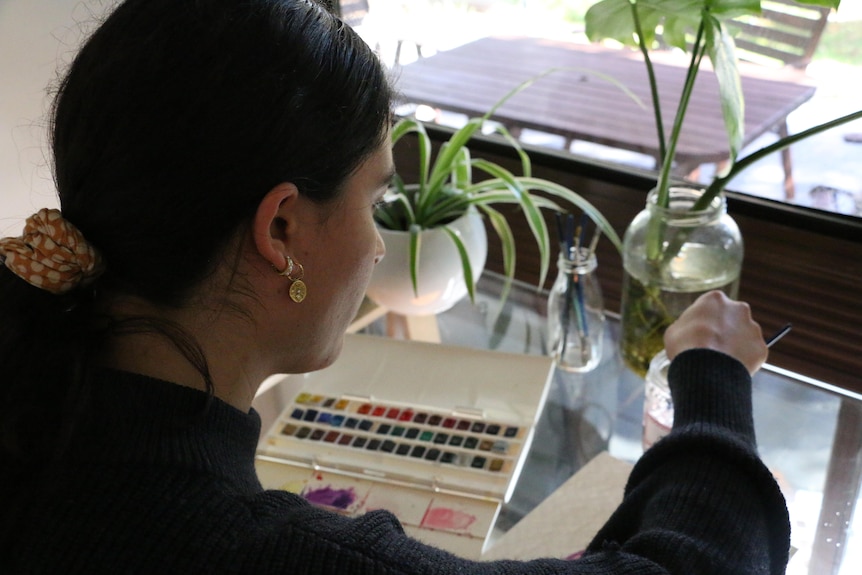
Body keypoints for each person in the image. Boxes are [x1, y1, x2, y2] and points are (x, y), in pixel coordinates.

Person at [0, 1, 789, 573]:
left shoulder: (42, 412)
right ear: (280, 230)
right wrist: (713, 378)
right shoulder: (253, 548)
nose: (381, 244)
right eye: (374, 200)